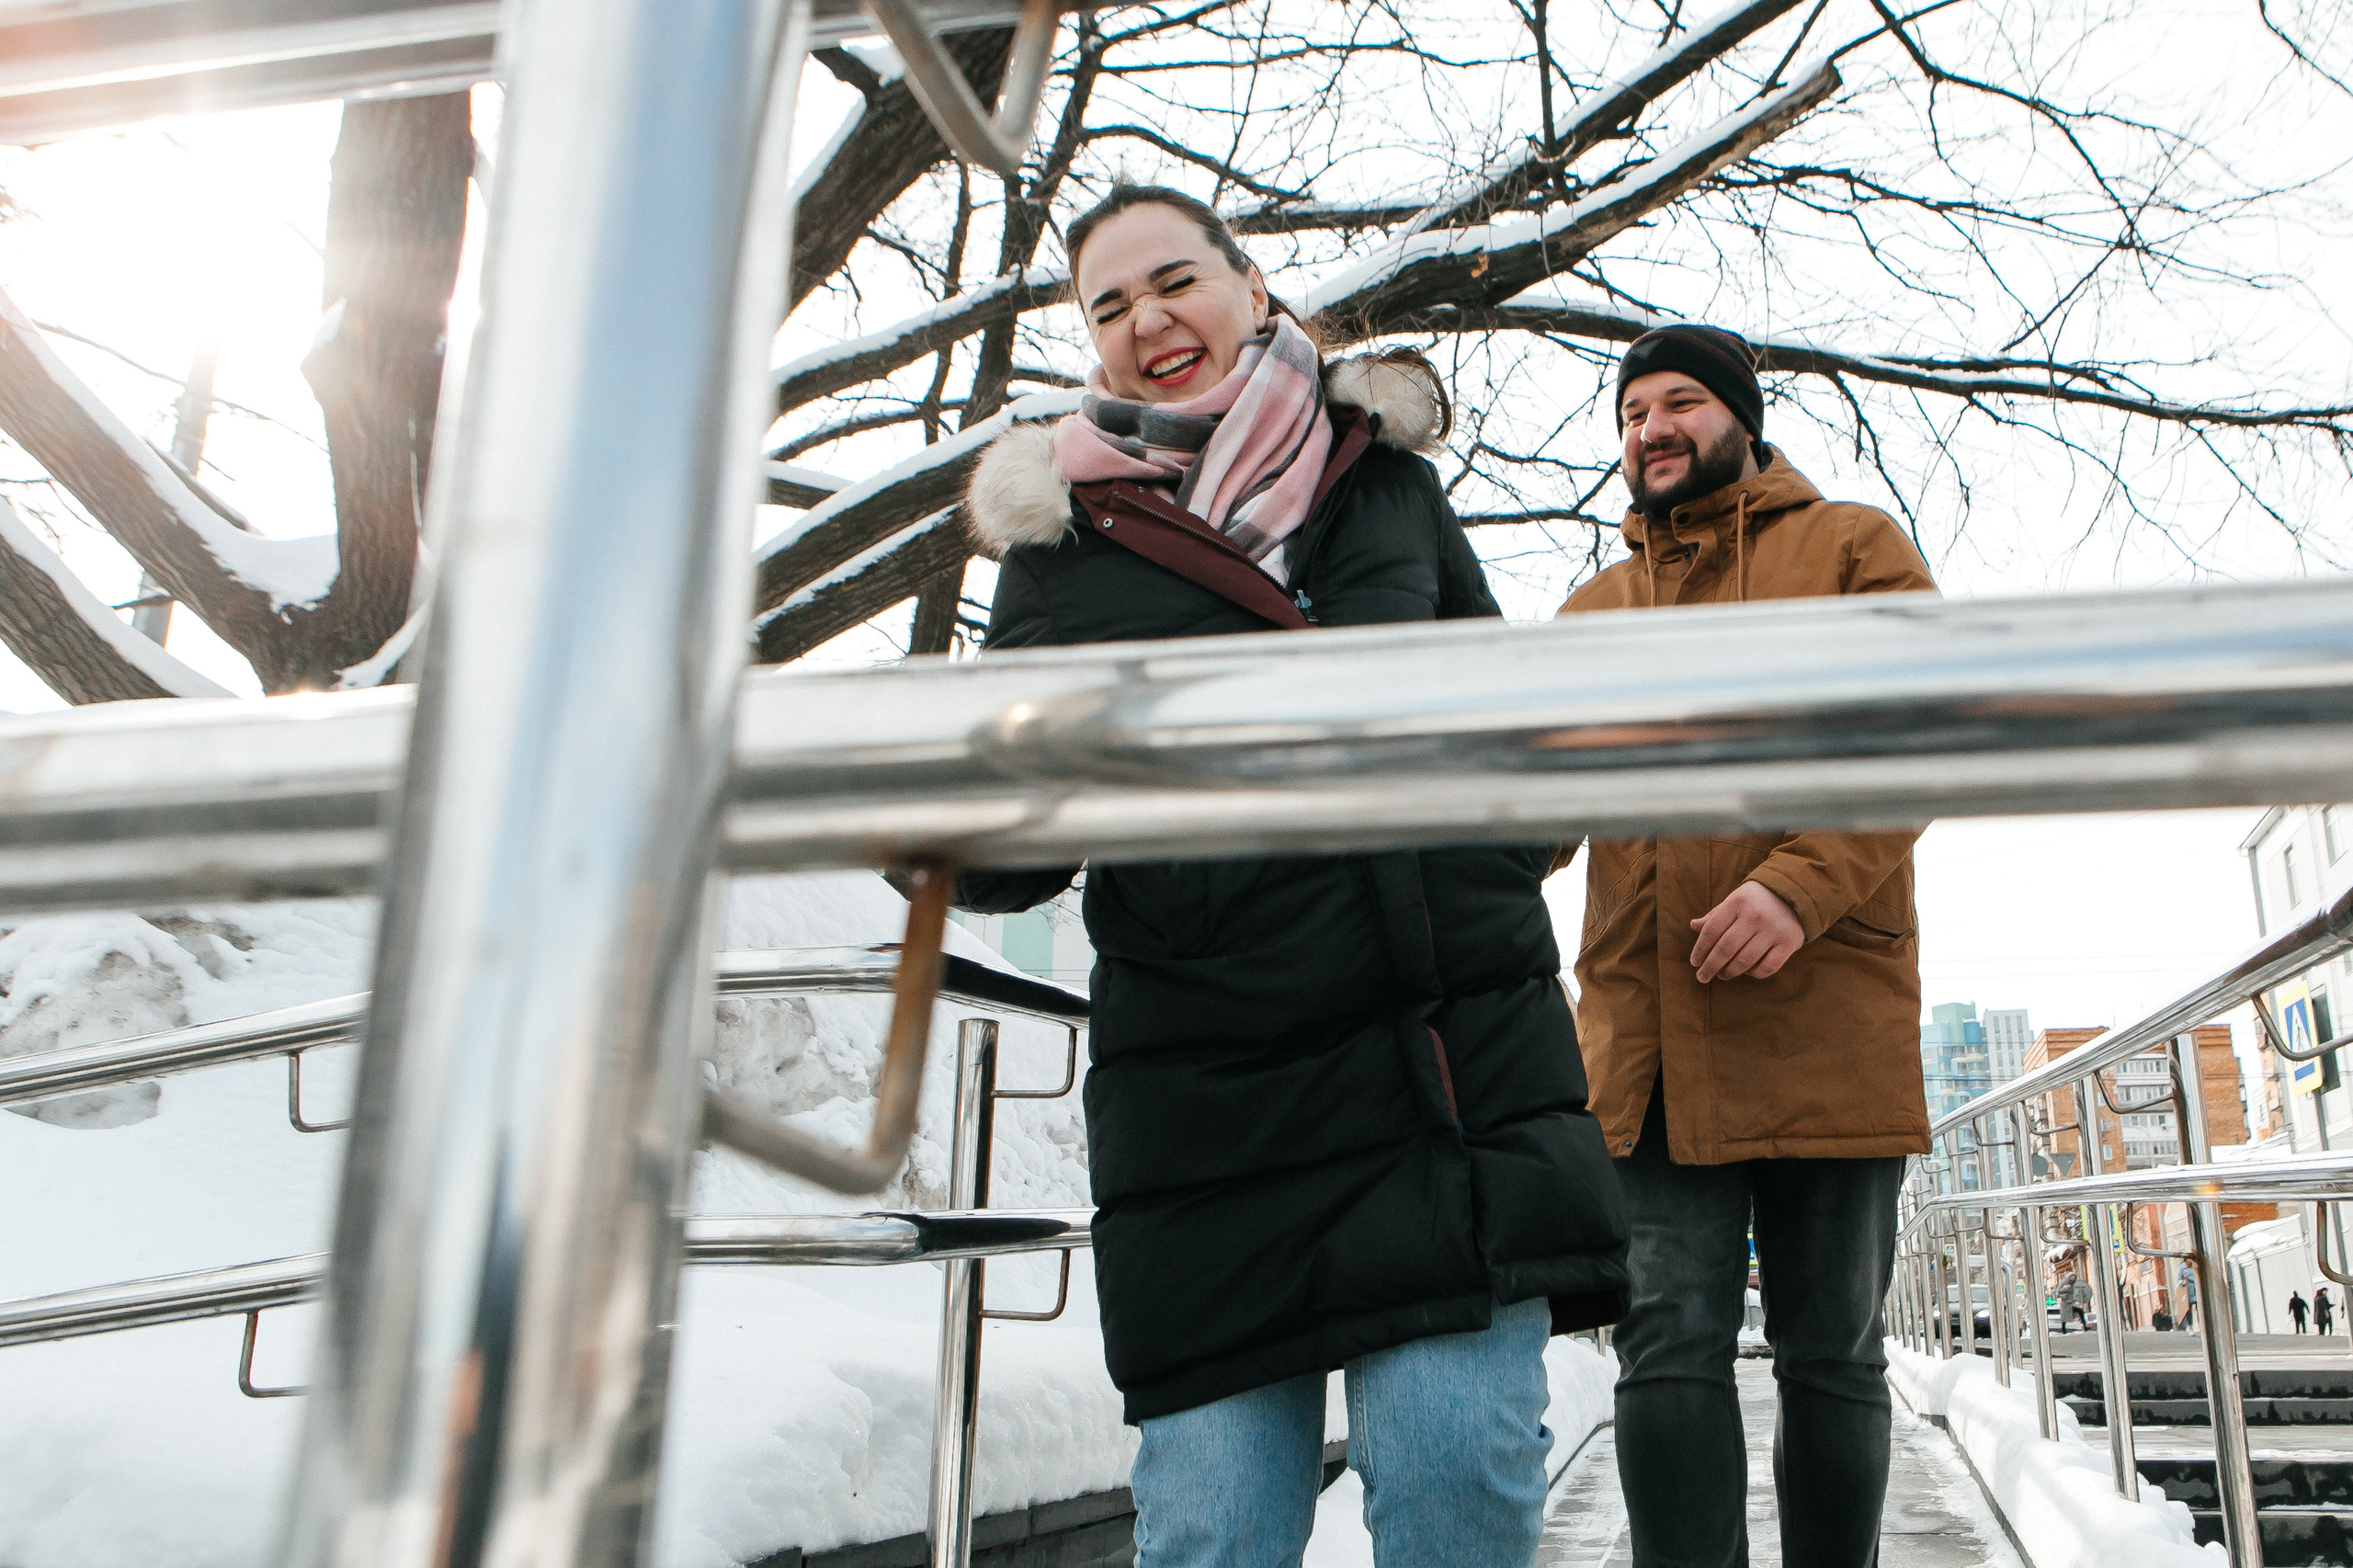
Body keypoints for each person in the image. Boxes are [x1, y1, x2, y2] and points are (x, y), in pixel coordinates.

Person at [954, 182, 1630, 1568]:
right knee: (1213, 1527)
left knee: (1461, 1486)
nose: (1150, 319)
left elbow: (1518, 741)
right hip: (1213, 1101)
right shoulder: (1063, 550)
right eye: (1109, 305)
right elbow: (1000, 850)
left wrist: (1468, 872)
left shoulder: (1384, 482)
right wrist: (933, 802)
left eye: (1175, 279)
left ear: (1251, 291)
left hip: (1436, 1066)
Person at [1554, 324, 1938, 1568]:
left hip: (1827, 1006)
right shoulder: (1594, 608)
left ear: (1742, 418)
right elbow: (1529, 803)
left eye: (1678, 402)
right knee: (1665, 1337)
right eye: (1630, 414)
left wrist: (1797, 887)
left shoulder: (1851, 547)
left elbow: (1929, 732)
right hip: (1648, 1034)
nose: (1650, 428)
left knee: (1833, 1345)